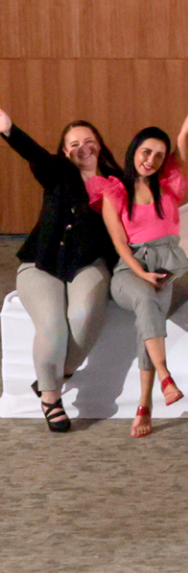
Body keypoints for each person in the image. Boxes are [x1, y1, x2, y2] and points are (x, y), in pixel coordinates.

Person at [100, 65, 188, 436]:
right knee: (146, 299)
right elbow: (119, 242)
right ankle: (165, 376)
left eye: (159, 155)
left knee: (148, 312)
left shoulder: (170, 185)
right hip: (130, 267)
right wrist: (141, 273)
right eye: (145, 152)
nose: (150, 159)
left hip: (173, 265)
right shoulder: (115, 190)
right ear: (134, 151)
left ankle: (144, 403)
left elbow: (186, 134)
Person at [0, 108, 119, 430]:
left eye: (89, 141)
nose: (83, 148)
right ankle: (51, 397)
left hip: (88, 263)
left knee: (84, 316)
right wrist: (9, 130)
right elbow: (36, 156)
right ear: (65, 152)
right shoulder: (58, 174)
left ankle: (52, 376)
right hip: (41, 263)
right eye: (74, 144)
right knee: (52, 326)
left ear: (99, 145)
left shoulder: (115, 182)